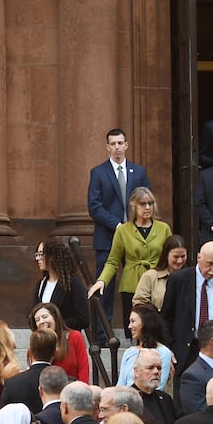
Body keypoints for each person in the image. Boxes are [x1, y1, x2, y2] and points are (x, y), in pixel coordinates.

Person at [87, 130, 151, 328]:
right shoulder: (98, 173)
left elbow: (146, 198)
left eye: (120, 143)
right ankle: (103, 332)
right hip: (108, 236)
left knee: (137, 286)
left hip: (136, 237)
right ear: (107, 147)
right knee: (104, 285)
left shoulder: (138, 172)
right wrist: (118, 226)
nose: (116, 147)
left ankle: (139, 328)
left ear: (126, 145)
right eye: (112, 144)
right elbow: (94, 207)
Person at [90, 186, 170, 332]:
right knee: (136, 329)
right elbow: (113, 261)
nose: (147, 207)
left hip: (157, 284)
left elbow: (171, 257)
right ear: (133, 205)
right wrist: (102, 280)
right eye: (143, 204)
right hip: (131, 284)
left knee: (158, 328)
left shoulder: (163, 228)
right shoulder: (123, 230)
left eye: (150, 203)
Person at [160, 241, 213, 372]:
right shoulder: (179, 279)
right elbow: (166, 318)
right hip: (186, 351)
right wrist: (170, 349)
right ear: (199, 257)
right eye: (210, 264)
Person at [117, 305, 174, 391]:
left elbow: (159, 387)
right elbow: (120, 385)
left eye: (133, 321)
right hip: (126, 401)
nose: (129, 326)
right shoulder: (129, 352)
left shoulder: (163, 352)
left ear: (146, 323)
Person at [32, 303, 90, 386]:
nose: (42, 321)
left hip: (72, 389)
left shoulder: (75, 336)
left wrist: (83, 389)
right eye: (37, 320)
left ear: (55, 317)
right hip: (48, 392)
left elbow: (84, 368)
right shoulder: (36, 342)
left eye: (45, 317)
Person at [131, 234, 187, 313]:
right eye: (175, 257)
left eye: (183, 256)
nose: (180, 261)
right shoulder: (150, 276)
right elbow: (139, 304)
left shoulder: (191, 277)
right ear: (166, 255)